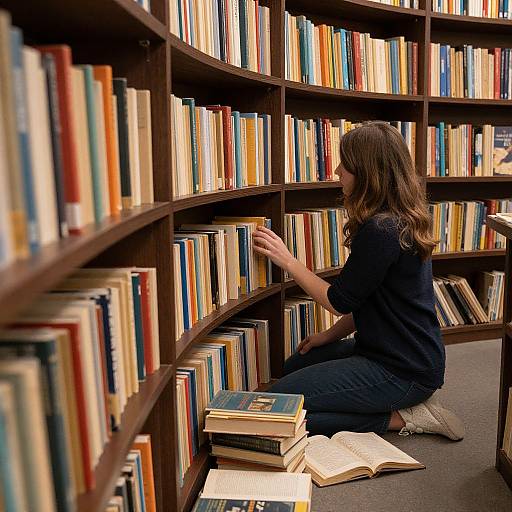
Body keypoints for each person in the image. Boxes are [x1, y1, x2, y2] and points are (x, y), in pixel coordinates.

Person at [252, 121, 465, 441]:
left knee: (281, 403)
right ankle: (383, 404)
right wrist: (327, 337)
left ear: (367, 172)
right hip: (389, 351)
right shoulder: (398, 216)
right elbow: (367, 299)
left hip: (403, 370)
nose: (337, 170)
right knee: (294, 365)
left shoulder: (383, 229)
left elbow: (339, 300)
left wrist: (288, 261)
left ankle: (401, 418)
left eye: (345, 164)